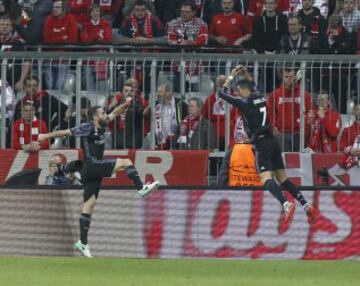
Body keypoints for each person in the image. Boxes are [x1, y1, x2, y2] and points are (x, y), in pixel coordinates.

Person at [38, 103, 159, 258]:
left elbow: (115, 112)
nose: (105, 114)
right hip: (92, 166)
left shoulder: (101, 124)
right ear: (95, 115)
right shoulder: (87, 127)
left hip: (91, 172)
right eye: (102, 112)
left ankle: (82, 243)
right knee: (126, 162)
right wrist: (45, 136)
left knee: (89, 205)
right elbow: (65, 132)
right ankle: (141, 188)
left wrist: (126, 104)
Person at [219, 65, 317, 226]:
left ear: (244, 91)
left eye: (238, 91)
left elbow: (221, 93)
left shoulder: (245, 103)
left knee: (266, 179)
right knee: (283, 180)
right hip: (273, 141)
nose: (236, 94)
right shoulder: (261, 96)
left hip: (262, 144)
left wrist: (230, 77)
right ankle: (305, 205)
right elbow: (253, 84)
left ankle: (286, 204)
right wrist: (245, 74)